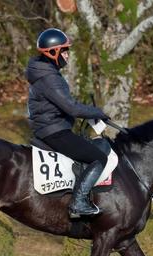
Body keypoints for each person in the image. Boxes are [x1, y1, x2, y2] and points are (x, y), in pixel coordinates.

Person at [26, 28, 110, 218]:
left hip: (52, 127)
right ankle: (78, 203)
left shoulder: (45, 72)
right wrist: (98, 112)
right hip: (54, 131)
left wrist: (88, 113)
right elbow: (71, 108)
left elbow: (67, 106)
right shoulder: (49, 77)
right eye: (64, 51)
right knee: (99, 158)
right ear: (53, 52)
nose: (67, 55)